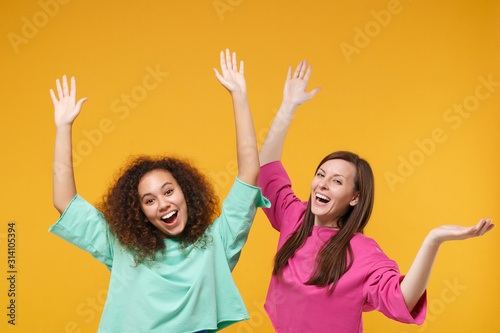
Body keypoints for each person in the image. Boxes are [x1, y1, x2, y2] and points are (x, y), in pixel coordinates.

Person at [257, 60, 495, 332]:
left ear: (355, 197)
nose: (322, 184)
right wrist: (288, 107)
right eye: (320, 174)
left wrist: (434, 239)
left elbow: (403, 298)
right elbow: (266, 170)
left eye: (336, 181)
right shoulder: (295, 217)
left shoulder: (361, 252)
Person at [49, 49, 269, 333]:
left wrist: (239, 97)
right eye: (149, 200)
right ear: (139, 212)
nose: (163, 204)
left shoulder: (218, 241)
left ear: (186, 193)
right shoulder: (124, 248)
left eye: (168, 191)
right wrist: (63, 127)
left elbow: (249, 172)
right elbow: (64, 202)